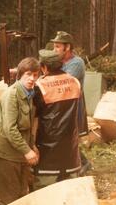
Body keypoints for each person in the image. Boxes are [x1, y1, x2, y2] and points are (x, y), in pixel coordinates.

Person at [0, 57, 40, 205]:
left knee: (21, 195)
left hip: (17, 153)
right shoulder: (12, 95)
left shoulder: (29, 94)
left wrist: (32, 146)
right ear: (20, 74)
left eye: (35, 75)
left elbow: (28, 126)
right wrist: (27, 151)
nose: (32, 79)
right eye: (28, 74)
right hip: (4, 153)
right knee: (8, 200)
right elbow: (10, 129)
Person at [33, 49, 81, 187]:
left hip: (48, 151)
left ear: (44, 67)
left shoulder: (40, 86)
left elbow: (33, 117)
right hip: (71, 150)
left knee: (45, 193)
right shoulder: (74, 82)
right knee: (70, 192)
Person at [50, 31, 92, 174]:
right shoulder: (58, 61)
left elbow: (63, 83)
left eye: (57, 47)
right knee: (64, 136)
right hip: (61, 104)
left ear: (67, 47)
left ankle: (84, 163)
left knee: (70, 136)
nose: (54, 50)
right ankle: (75, 164)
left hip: (74, 105)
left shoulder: (77, 63)